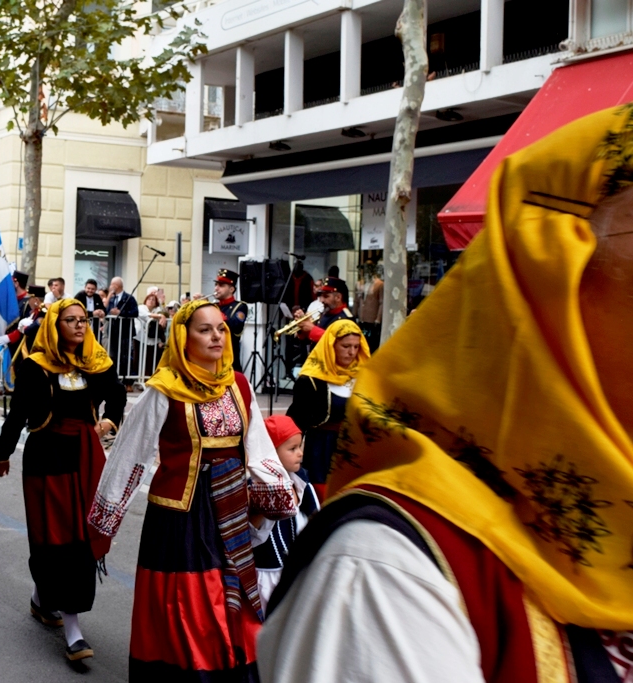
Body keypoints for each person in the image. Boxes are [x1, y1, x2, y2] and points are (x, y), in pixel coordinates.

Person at [259, 106, 633, 683]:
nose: (353, 350)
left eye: (357, 343)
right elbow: (305, 427)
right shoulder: (388, 570)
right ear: (550, 290)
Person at [88, 299, 296, 681]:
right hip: (179, 517)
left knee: (231, 595)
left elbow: (258, 444)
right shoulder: (164, 390)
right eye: (205, 329)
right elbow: (131, 454)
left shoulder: (239, 385)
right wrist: (105, 520)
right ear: (183, 337)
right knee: (190, 602)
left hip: (230, 508)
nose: (216, 336)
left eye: (220, 328)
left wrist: (277, 493)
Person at [0, 298, 125, 661]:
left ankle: (41, 599)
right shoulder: (36, 366)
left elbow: (117, 394)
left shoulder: (95, 360)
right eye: (71, 320)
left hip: (86, 457)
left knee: (80, 534)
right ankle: (73, 630)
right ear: (54, 325)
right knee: (57, 537)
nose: (80, 326)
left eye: (83, 320)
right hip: (47, 457)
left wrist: (111, 420)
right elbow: (18, 413)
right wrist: (2, 451)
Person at [286, 319, 369, 500]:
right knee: (323, 501)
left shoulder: (365, 376)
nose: (352, 352)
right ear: (331, 345)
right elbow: (296, 422)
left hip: (353, 450)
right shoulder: (311, 380)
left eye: (356, 347)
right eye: (346, 346)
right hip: (321, 450)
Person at [251, 415, 320, 615]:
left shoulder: (302, 481)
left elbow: (316, 519)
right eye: (292, 449)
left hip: (294, 569)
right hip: (266, 571)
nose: (300, 453)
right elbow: (253, 534)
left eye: (300, 446)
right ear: (271, 453)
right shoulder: (257, 486)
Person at [295, 276, 353, 346]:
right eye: (321, 296)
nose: (322, 300)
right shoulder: (326, 313)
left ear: (338, 297)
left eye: (326, 296)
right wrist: (302, 327)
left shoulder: (346, 318)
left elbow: (338, 342)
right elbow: (310, 338)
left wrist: (312, 329)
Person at [215, 268, 250, 374]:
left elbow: (235, 326)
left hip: (230, 360)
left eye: (221, 285)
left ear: (231, 289)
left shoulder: (240, 306)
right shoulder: (214, 306)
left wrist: (213, 314)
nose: (216, 288)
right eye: (216, 284)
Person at [106, 277, 138, 383]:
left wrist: (120, 313)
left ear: (117, 285)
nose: (110, 286)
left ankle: (127, 381)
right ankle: (114, 379)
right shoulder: (111, 298)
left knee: (125, 356)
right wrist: (109, 296)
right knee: (113, 356)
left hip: (125, 332)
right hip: (113, 331)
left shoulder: (129, 298)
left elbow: (135, 312)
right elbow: (105, 310)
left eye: (112, 284)